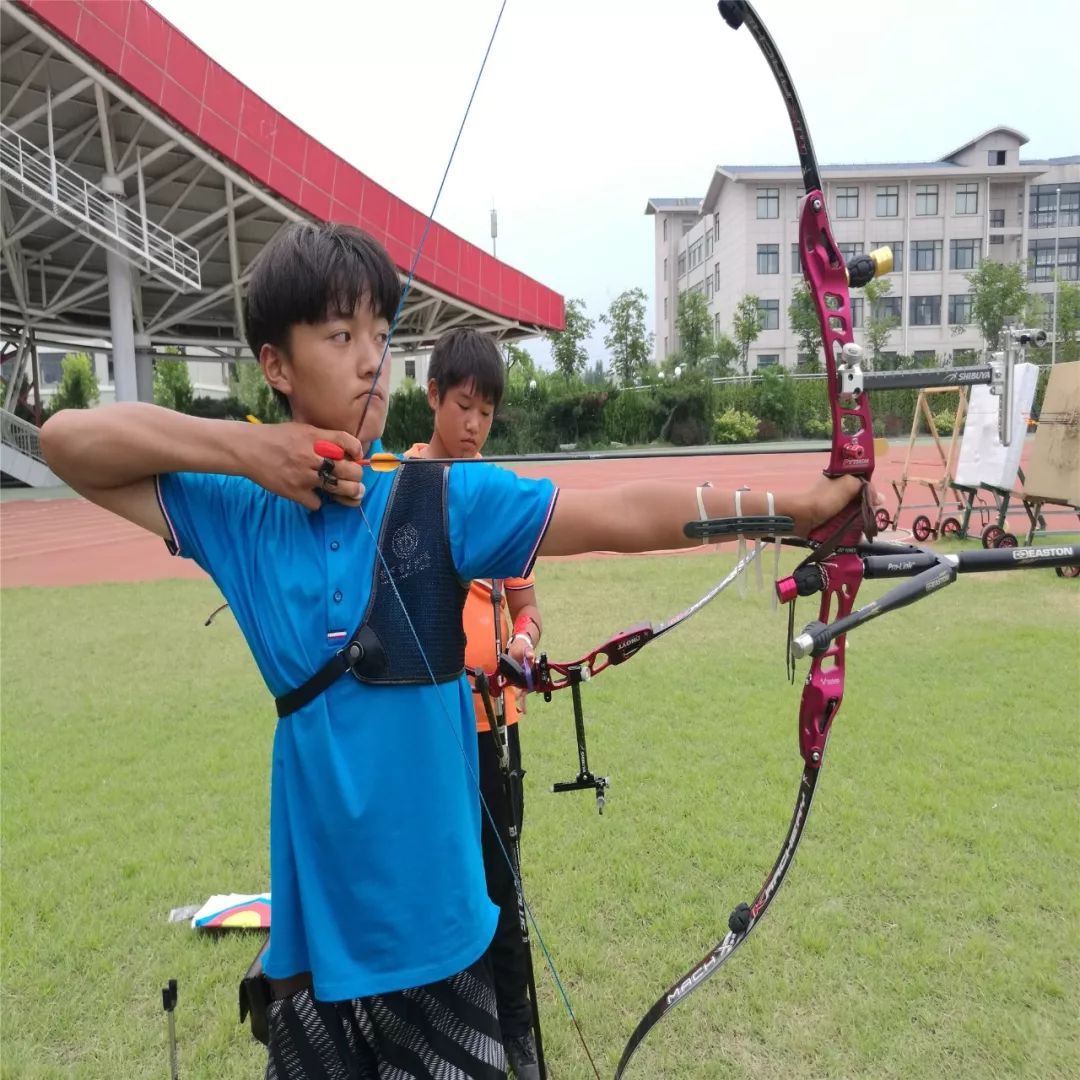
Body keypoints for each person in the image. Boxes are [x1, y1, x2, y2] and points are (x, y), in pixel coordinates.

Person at [40, 220, 867, 1080]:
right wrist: (247, 449)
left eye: (378, 336)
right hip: (314, 955)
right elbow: (67, 439)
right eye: (338, 336)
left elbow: (617, 513)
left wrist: (797, 507)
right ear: (276, 364)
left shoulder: (441, 499)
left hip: (437, 940)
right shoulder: (240, 518)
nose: (370, 361)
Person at [406, 328, 544, 1079]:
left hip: (494, 728)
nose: (474, 425)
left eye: (487, 412)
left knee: (501, 882)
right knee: (434, 875)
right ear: (432, 397)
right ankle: (438, 1028)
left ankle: (515, 1036)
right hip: (425, 731)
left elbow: (529, 611)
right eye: (463, 405)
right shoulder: (397, 482)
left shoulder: (498, 495)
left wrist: (522, 642)